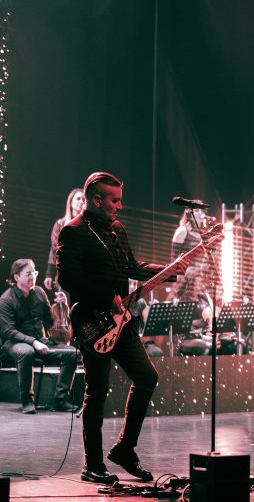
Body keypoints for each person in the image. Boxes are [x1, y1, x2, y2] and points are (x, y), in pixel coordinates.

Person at [57, 172, 187, 484]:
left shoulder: (117, 229)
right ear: (96, 200)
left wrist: (169, 271)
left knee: (147, 377)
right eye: (114, 200)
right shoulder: (73, 231)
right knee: (97, 392)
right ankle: (92, 465)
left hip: (121, 321)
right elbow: (67, 279)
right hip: (92, 323)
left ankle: (125, 449)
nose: (120, 206)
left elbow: (131, 266)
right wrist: (105, 296)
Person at [0, 259, 79, 414]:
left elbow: (51, 319)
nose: (33, 277)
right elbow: (8, 331)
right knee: (26, 352)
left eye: (34, 273)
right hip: (14, 343)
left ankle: (60, 400)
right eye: (28, 274)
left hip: (41, 342)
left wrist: (62, 305)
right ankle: (27, 400)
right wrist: (33, 342)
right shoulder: (6, 300)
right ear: (16, 277)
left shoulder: (39, 292)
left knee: (73, 353)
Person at [43, 188, 85, 290]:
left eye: (84, 199)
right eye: (78, 198)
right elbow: (54, 249)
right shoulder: (60, 224)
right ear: (71, 202)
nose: (81, 201)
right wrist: (49, 274)